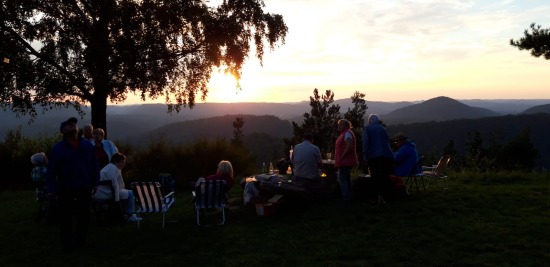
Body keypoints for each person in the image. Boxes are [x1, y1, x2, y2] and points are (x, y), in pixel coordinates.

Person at [46, 117, 100, 253]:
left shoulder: (87, 145)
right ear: (63, 131)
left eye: (74, 124)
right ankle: (67, 245)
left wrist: (95, 182)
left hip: (85, 185)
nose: (73, 125)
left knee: (85, 216)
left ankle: (81, 241)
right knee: (65, 217)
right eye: (69, 124)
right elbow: (51, 170)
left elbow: (94, 165)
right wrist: (51, 189)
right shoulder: (58, 148)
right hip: (65, 187)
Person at [94, 153, 141, 222]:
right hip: (105, 193)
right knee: (130, 193)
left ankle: (126, 214)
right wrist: (116, 200)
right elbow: (114, 184)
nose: (123, 164)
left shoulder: (111, 167)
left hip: (104, 191)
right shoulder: (112, 169)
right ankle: (130, 215)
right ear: (116, 162)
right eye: (122, 162)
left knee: (126, 192)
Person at [362, 114, 394, 204]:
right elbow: (387, 141)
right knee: (384, 176)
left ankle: (374, 198)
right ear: (378, 121)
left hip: (374, 155)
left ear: (369, 121)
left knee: (375, 176)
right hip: (387, 155)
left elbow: (366, 142)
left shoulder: (367, 128)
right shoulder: (382, 128)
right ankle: (383, 197)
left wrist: (365, 155)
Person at [334, 119, 359, 203]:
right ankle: (349, 197)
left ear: (346, 126)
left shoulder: (347, 133)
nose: (339, 126)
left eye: (341, 124)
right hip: (345, 160)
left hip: (345, 160)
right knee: (347, 179)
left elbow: (349, 147)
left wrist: (341, 157)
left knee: (341, 178)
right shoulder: (344, 133)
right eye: (339, 124)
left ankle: (346, 198)